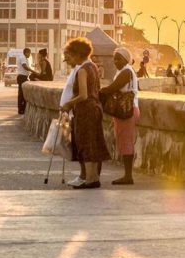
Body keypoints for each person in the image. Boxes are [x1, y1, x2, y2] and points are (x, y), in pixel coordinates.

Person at [59, 37, 109, 189]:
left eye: (70, 55)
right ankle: (93, 177)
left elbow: (83, 95)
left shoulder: (81, 70)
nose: (68, 59)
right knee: (93, 143)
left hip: (85, 110)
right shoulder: (92, 67)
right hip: (95, 108)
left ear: (77, 54)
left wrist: (68, 104)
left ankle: (90, 179)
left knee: (85, 144)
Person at [99, 47, 139, 185]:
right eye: (114, 58)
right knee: (123, 140)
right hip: (124, 110)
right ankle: (127, 175)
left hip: (127, 109)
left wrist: (99, 92)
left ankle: (128, 176)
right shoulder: (123, 71)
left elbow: (112, 88)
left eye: (118, 58)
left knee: (126, 141)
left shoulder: (126, 71)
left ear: (126, 59)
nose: (115, 61)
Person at [16, 47, 33, 114]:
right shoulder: (23, 57)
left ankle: (22, 108)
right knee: (22, 94)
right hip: (22, 77)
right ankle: (21, 109)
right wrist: (32, 71)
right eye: (29, 53)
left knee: (22, 94)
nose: (29, 55)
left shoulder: (24, 58)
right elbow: (24, 66)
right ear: (26, 52)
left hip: (23, 76)